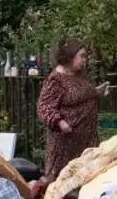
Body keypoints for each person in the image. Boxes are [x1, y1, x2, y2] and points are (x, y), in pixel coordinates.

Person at [37, 38, 109, 184]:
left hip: (87, 140)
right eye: (81, 56)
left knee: (85, 181)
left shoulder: (79, 74)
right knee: (62, 184)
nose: (84, 59)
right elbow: (44, 107)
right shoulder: (56, 80)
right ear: (70, 57)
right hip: (66, 144)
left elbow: (78, 96)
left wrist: (96, 92)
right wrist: (60, 122)